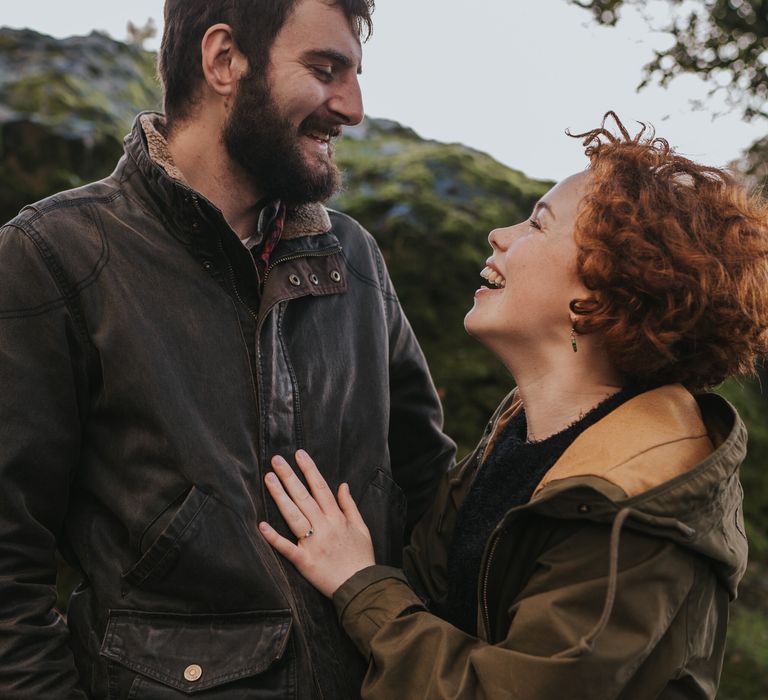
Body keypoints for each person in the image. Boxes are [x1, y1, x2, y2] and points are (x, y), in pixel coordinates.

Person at [0, 1, 455, 697]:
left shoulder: (356, 260)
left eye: (354, 75)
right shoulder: (54, 257)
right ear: (223, 60)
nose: (354, 108)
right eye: (325, 69)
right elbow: (8, 568)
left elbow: (434, 507)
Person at [259, 113, 768, 699]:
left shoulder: (634, 512)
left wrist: (359, 585)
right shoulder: (526, 434)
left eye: (537, 222)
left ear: (602, 286)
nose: (500, 233)